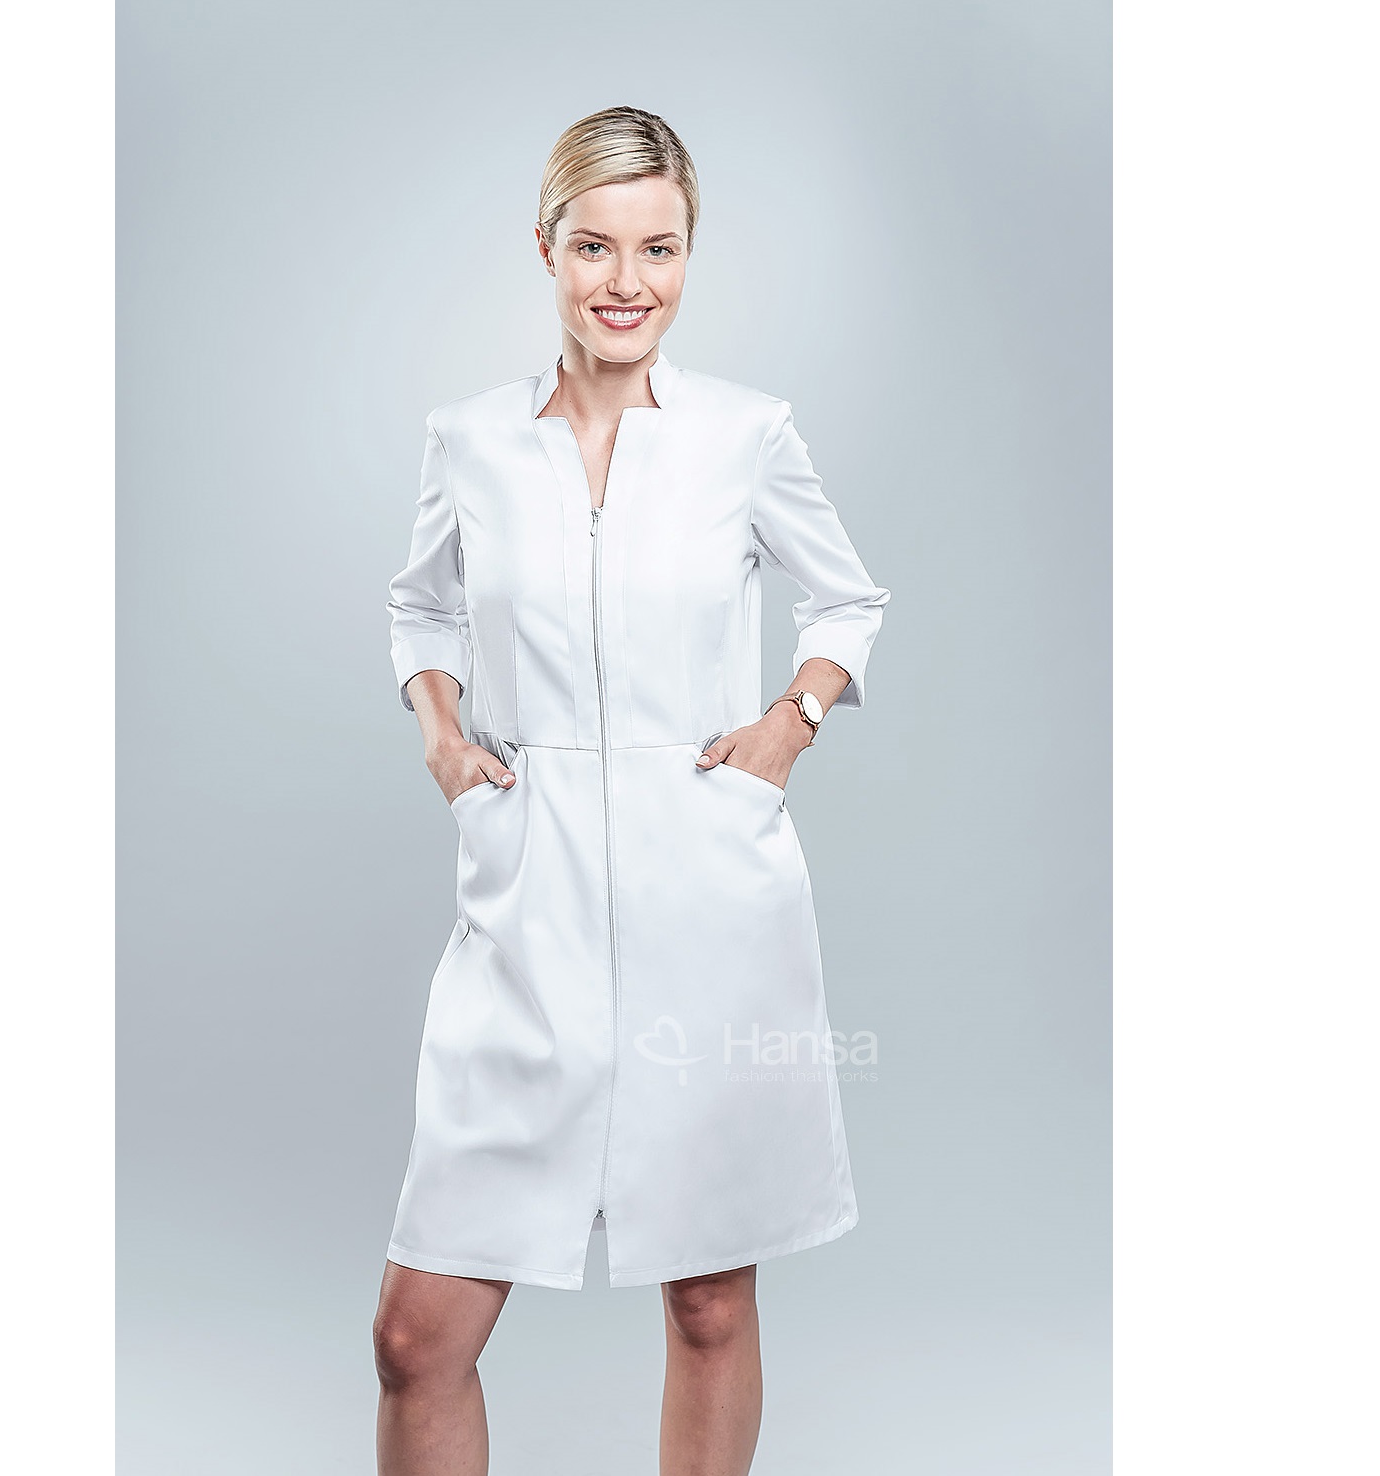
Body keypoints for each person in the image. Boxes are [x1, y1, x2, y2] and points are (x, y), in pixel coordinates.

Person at [371, 105, 891, 1476]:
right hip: (525, 902)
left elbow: (847, 599)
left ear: (688, 255)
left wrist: (789, 725)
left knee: (709, 1299)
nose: (626, 282)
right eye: (594, 246)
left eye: (658, 249)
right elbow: (419, 607)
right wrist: (443, 737)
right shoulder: (471, 440)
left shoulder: (747, 434)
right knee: (418, 1336)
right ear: (545, 248)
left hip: (707, 901)